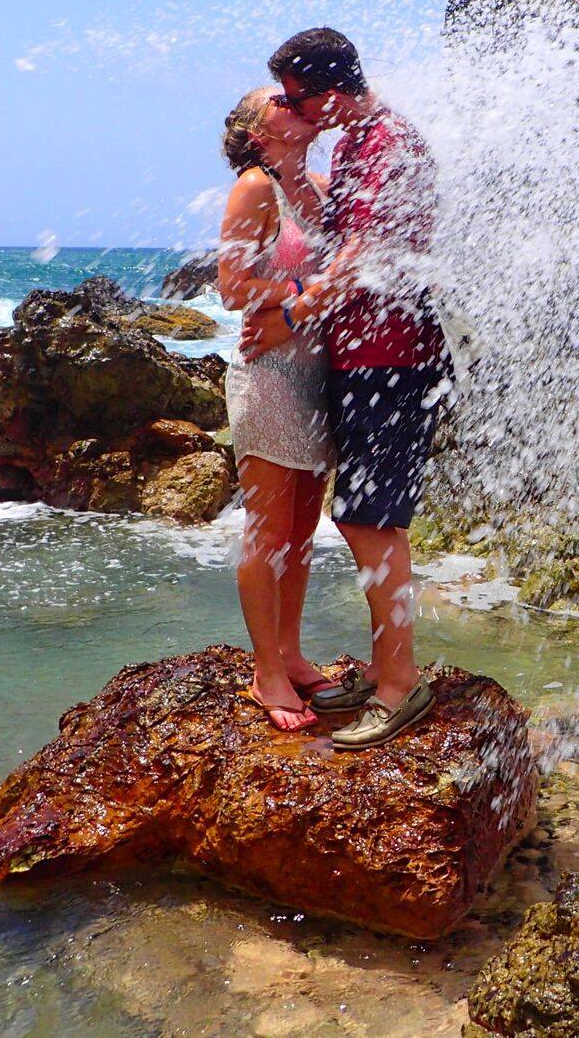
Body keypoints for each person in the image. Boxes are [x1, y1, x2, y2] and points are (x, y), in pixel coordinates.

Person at [239, 28, 447, 751]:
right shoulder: (355, 143)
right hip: (363, 358)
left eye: (296, 97)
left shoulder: (385, 144)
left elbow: (361, 255)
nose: (291, 110)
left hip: (394, 356)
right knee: (365, 514)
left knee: (368, 519)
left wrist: (288, 314)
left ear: (328, 94)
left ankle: (398, 685)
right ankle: (391, 670)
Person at [215, 86, 342, 732]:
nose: (295, 101)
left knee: (300, 529)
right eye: (280, 100)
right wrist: (302, 288)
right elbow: (233, 287)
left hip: (320, 374)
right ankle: (266, 668)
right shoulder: (255, 188)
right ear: (259, 132)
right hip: (268, 372)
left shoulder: (318, 187)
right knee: (267, 530)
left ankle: (290, 649)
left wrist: (309, 297)